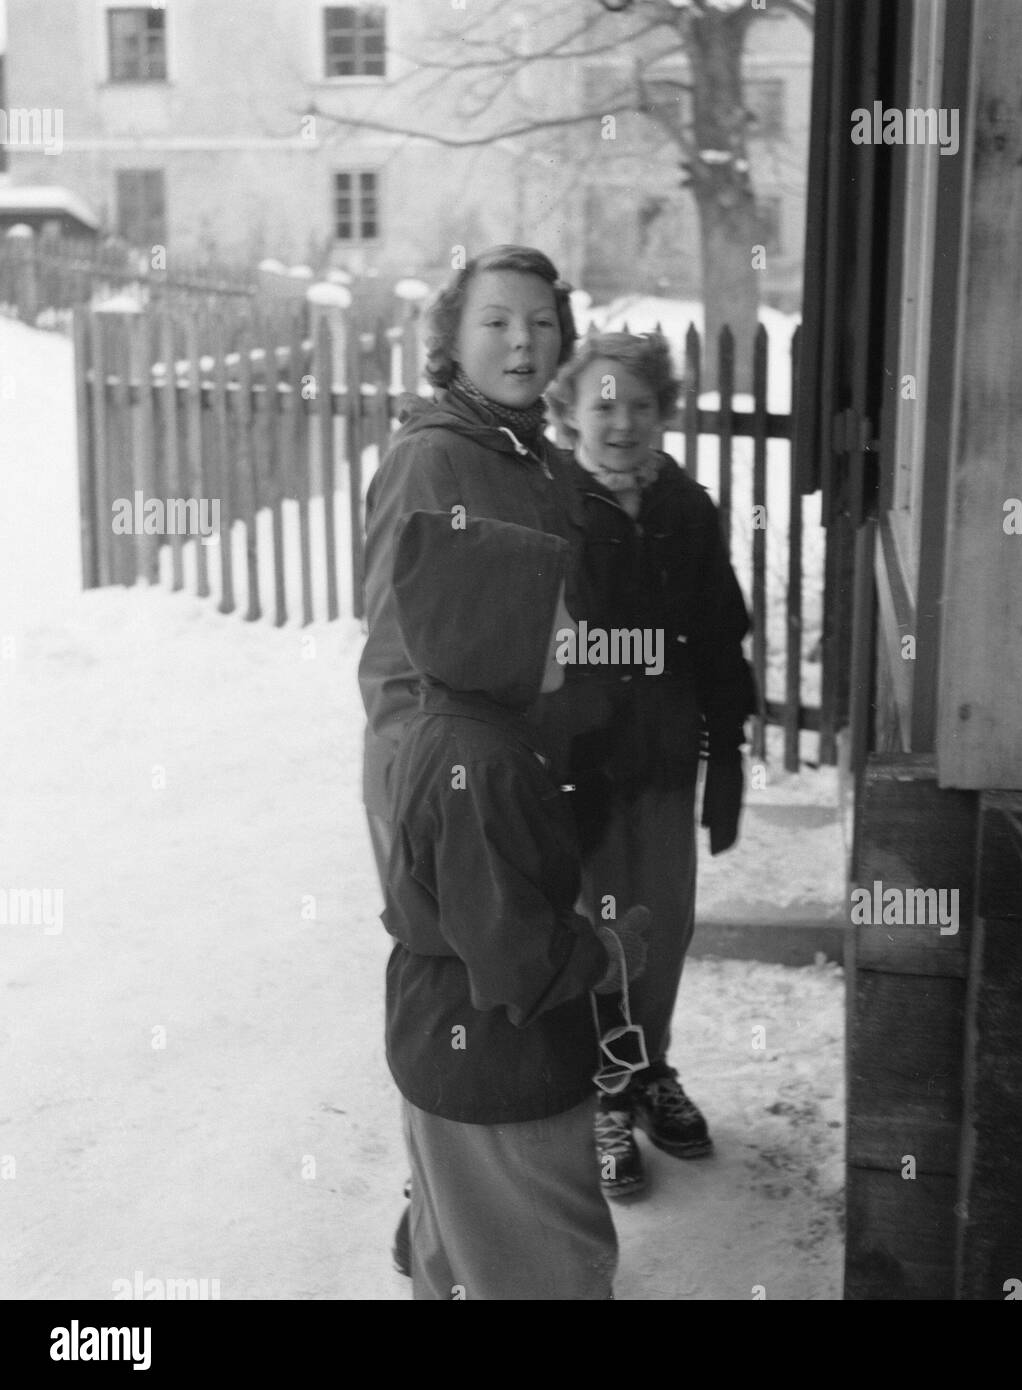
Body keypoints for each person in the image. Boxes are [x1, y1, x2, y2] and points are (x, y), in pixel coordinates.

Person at [357, 245, 585, 1270]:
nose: (522, 341)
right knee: (480, 994)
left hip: (505, 760)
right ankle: (469, 1219)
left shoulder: (525, 448)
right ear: (450, 339)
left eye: (540, 322)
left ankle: (450, 1227)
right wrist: (448, 795)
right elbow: (400, 650)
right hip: (451, 774)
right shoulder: (434, 455)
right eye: (496, 320)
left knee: (483, 990)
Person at [382, 509, 650, 1299]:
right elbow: (511, 954)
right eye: (549, 611)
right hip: (496, 1066)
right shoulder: (483, 767)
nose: (570, 626)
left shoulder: (452, 727)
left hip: (441, 1041)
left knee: (459, 1248)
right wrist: (604, 956)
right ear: (487, 634)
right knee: (545, 1261)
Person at [547, 330, 757, 1199]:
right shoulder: (551, 507)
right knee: (595, 924)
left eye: (639, 405)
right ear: (566, 412)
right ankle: (598, 1090)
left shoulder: (686, 510)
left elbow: (718, 635)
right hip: (583, 768)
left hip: (667, 758)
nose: (621, 422)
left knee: (660, 921)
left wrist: (729, 748)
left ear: (664, 414)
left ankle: (649, 1068)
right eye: (602, 404)